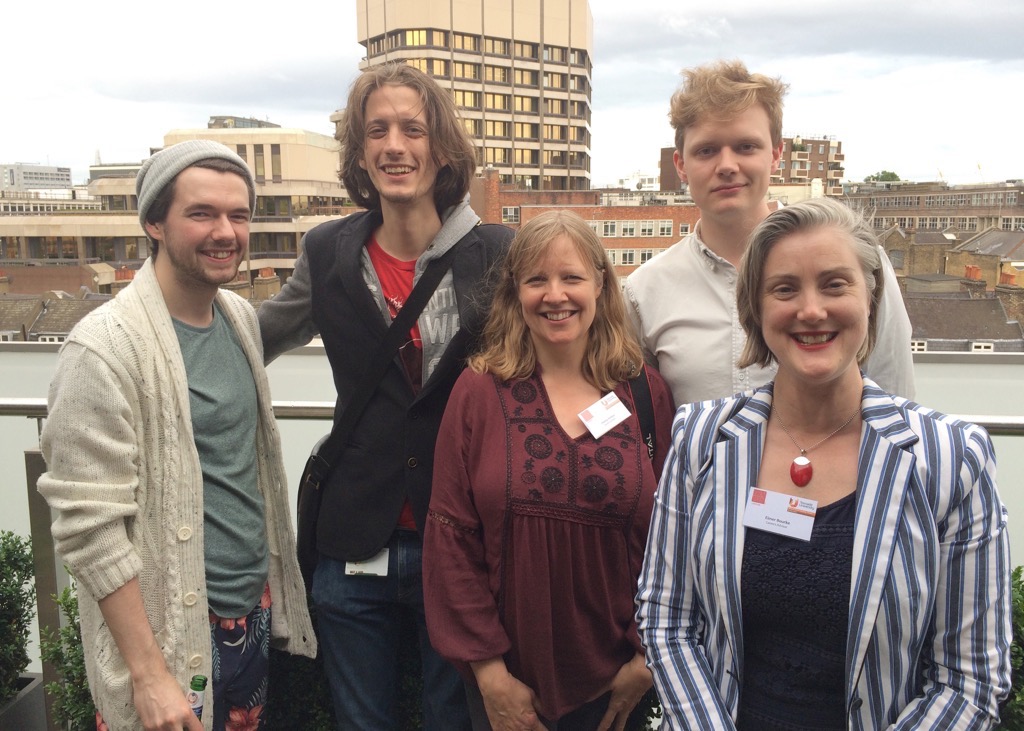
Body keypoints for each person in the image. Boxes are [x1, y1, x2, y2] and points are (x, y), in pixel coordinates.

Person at [636, 198, 1011, 729]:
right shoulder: (701, 439)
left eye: (835, 285)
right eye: (784, 289)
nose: (811, 310)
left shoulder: (952, 460)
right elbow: (666, 618)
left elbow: (970, 679)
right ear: (755, 309)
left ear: (870, 299)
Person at [257, 62, 512, 730]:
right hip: (352, 536)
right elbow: (254, 338)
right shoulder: (328, 251)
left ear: (443, 148)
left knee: (453, 721)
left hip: (460, 539)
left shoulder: (498, 253)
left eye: (412, 129)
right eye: (378, 131)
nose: (395, 145)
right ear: (360, 151)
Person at [37, 140, 316, 731]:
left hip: (249, 614)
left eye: (238, 215)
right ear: (154, 224)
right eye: (201, 213)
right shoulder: (102, 349)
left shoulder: (239, 319)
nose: (225, 232)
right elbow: (90, 529)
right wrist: (147, 674)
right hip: (167, 638)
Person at [423, 211, 676, 731]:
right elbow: (451, 535)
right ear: (515, 290)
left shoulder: (645, 393)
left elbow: (674, 536)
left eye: (572, 277)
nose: (555, 295)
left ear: (600, 285)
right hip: (508, 683)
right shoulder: (477, 392)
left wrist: (645, 658)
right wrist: (490, 674)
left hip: (618, 681)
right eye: (537, 279)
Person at [624, 59, 916, 407]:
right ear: (681, 165)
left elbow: (894, 398)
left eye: (746, 147)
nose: (727, 166)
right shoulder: (645, 291)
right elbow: (646, 419)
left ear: (776, 155)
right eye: (707, 150)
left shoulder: (858, 264)